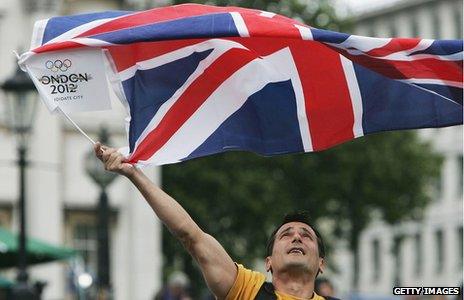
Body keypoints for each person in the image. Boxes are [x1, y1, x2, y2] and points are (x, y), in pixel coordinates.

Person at [95, 143, 340, 300]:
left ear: (321, 263)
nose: (297, 237)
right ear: (268, 262)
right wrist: (133, 173)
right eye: (286, 234)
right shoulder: (247, 290)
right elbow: (190, 235)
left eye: (306, 235)